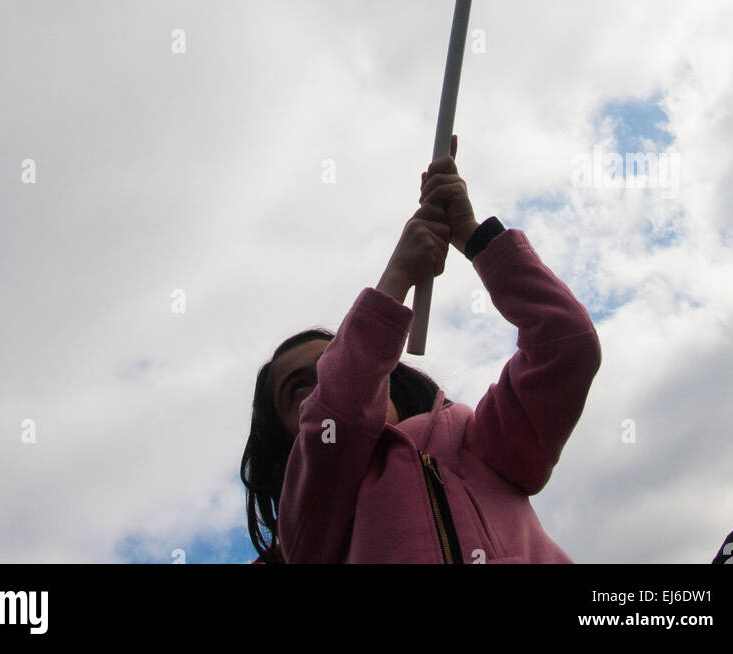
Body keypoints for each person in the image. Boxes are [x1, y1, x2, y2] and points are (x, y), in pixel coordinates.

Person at [240, 134, 602, 563]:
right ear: (281, 446)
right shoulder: (309, 515)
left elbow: (566, 343)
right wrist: (396, 278)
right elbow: (338, 413)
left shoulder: (474, 437)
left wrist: (474, 237)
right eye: (300, 389)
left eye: (334, 362)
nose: (326, 382)